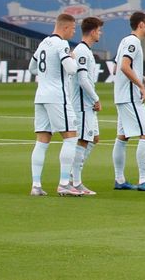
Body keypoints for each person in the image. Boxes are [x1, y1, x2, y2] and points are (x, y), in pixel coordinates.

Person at [29, 13, 79, 196]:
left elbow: (32, 68)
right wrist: (72, 57)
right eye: (73, 28)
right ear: (65, 27)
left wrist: (45, 77)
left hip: (41, 95)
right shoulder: (61, 44)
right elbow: (72, 70)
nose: (74, 32)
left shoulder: (44, 43)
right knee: (71, 136)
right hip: (58, 96)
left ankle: (36, 185)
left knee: (42, 140)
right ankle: (64, 184)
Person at [113, 11, 145, 191]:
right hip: (130, 97)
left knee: (123, 137)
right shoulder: (133, 42)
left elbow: (118, 67)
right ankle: (143, 180)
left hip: (122, 96)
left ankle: (119, 179)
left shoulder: (125, 40)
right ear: (141, 24)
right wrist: (140, 86)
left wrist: (142, 77)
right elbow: (124, 66)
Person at [68, 17, 103, 196]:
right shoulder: (82, 51)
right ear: (93, 31)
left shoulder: (85, 51)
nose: (100, 33)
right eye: (99, 30)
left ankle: (73, 176)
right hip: (82, 104)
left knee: (93, 138)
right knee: (82, 140)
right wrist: (96, 98)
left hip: (86, 104)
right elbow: (82, 80)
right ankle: (75, 182)